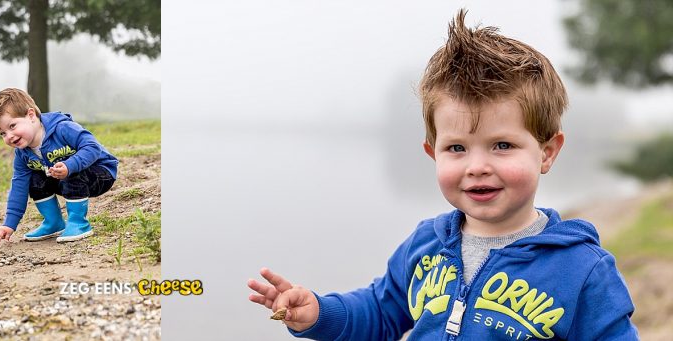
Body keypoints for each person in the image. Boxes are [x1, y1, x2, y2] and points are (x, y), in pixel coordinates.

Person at [247, 10, 637, 340]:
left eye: (502, 145)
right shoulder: (425, 247)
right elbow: (380, 313)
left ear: (547, 152)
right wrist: (319, 313)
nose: (477, 166)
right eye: (457, 149)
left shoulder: (582, 271)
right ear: (432, 154)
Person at [0, 88, 118, 244]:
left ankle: (79, 223)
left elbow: (93, 147)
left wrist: (70, 165)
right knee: (34, 178)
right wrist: (9, 223)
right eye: (2, 133)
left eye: (12, 126)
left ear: (31, 115)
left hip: (100, 172)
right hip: (64, 179)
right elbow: (19, 186)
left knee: (71, 171)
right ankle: (54, 222)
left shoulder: (62, 128)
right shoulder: (23, 154)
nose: (9, 136)